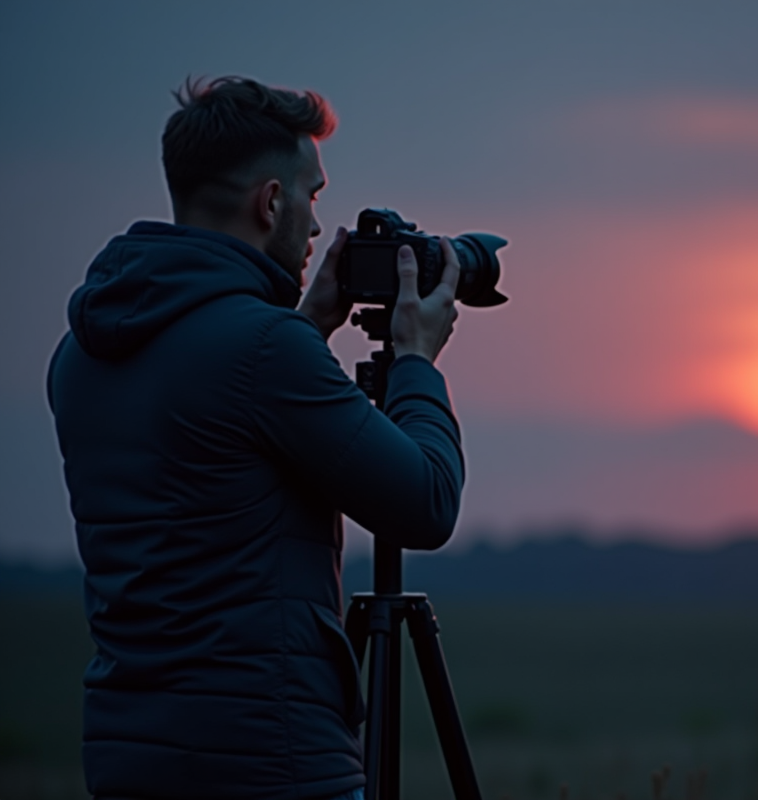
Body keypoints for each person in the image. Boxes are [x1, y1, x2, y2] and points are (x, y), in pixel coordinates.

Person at [46, 76, 465, 800]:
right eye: (312, 197)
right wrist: (416, 363)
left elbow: (210, 445)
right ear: (271, 202)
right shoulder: (264, 352)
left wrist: (306, 328)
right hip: (268, 761)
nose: (312, 224)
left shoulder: (82, 351)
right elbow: (426, 502)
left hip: (129, 757)